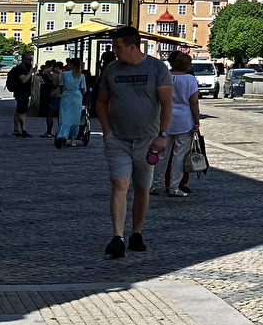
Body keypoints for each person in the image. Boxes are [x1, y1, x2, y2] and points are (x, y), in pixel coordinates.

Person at [96, 26, 173, 258]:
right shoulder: (112, 70)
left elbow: (167, 104)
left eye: (118, 47)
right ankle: (117, 237)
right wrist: (107, 132)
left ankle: (136, 232)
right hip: (118, 139)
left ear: (132, 46)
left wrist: (163, 135)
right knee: (120, 185)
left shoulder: (156, 68)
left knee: (142, 188)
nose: (114, 51)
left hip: (148, 141)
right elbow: (101, 102)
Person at [162, 50, 202, 196]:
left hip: (166, 118)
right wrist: (196, 122)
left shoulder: (166, 76)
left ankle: (155, 185)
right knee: (179, 155)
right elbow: (194, 102)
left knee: (163, 154)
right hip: (184, 119)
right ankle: (174, 187)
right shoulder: (189, 79)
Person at [57, 57, 87, 147]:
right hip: (77, 97)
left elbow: (61, 87)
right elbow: (84, 90)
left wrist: (64, 92)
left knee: (64, 117)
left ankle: (63, 135)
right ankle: (73, 140)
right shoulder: (81, 76)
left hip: (66, 96)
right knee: (75, 118)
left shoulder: (65, 74)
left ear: (71, 64)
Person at [7, 52, 37, 138]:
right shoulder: (20, 68)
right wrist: (31, 73)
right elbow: (23, 80)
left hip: (24, 92)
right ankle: (23, 130)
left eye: (31, 59)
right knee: (22, 111)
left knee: (18, 111)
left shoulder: (27, 67)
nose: (30, 61)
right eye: (28, 59)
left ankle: (16, 130)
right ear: (23, 59)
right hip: (21, 92)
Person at [39, 62, 62, 137]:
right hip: (62, 97)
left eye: (54, 68)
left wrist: (53, 93)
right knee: (59, 115)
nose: (53, 69)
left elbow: (60, 87)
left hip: (56, 97)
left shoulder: (59, 76)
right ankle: (60, 131)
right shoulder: (62, 75)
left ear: (57, 67)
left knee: (49, 114)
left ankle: (49, 132)